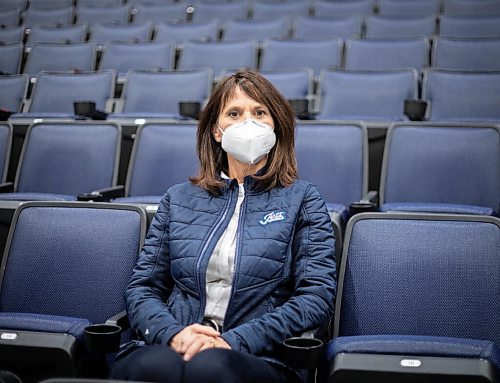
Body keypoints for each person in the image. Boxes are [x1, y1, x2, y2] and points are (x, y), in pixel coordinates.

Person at [110, 70, 337, 383]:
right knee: (150, 368)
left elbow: (316, 297)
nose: (248, 122)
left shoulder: (302, 198)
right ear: (216, 130)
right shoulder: (178, 198)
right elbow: (143, 287)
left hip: (258, 353)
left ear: (275, 126)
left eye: (260, 112)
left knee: (211, 368)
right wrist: (174, 335)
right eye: (234, 113)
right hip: (175, 342)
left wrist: (234, 340)